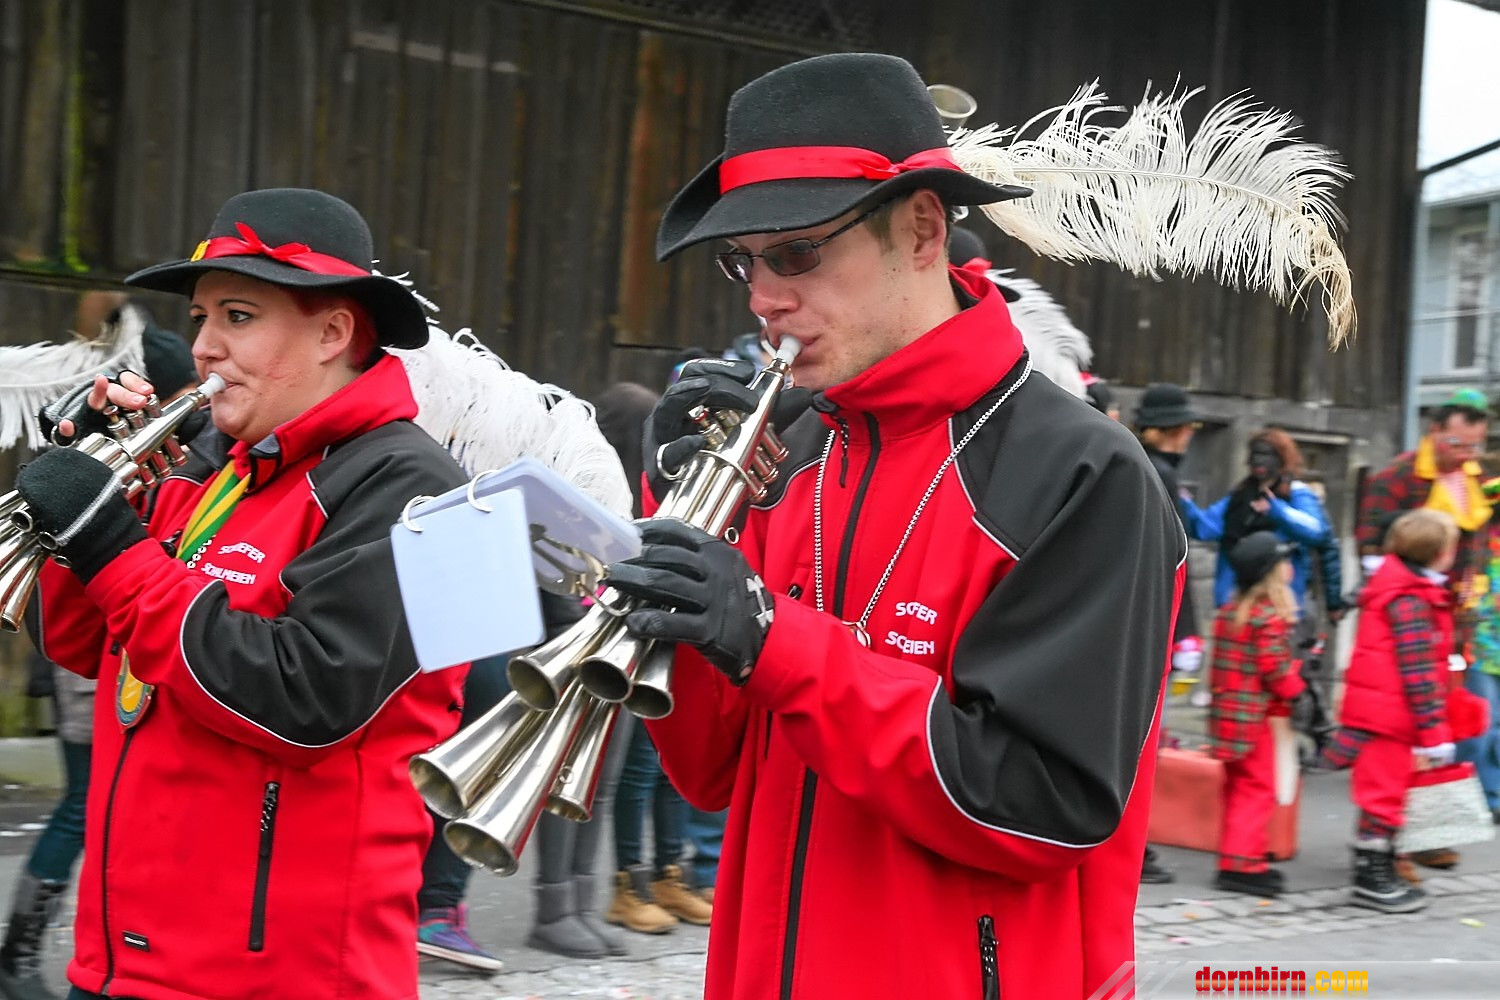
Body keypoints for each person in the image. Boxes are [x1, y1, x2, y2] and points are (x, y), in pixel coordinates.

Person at [602, 53, 1185, 998]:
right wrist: (674, 521)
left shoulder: (1086, 471)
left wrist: (773, 639)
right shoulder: (788, 452)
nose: (762, 297)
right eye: (744, 261)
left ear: (920, 229)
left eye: (796, 254)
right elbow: (712, 772)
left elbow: (1043, 808)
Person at [15, 187, 469, 1000]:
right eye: (200, 318)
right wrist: (80, 509)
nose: (204, 347)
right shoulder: (212, 464)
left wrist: (113, 546)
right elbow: (89, 647)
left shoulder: (425, 488)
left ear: (333, 333)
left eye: (238, 316)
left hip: (280, 972)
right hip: (125, 957)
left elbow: (309, 699)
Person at [0, 298, 197, 1000]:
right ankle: (18, 955)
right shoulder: (133, 440)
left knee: (88, 803)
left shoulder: (180, 455)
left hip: (120, 643)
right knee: (85, 804)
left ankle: (23, 952)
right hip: (104, 667)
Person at [591, 382, 712, 935]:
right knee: (638, 771)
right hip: (629, 639)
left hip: (667, 635)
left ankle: (668, 872)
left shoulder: (664, 480)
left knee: (664, 769)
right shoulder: (604, 486)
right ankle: (629, 883)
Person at [1355, 391, 1490, 874]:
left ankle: (1430, 832)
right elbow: (1371, 547)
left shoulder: (1476, 480)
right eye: (1458, 444)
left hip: (1457, 621)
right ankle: (1391, 845)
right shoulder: (1397, 477)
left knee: (1451, 725)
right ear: (1435, 432)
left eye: (1475, 446)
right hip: (1412, 620)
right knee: (1410, 734)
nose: (1467, 454)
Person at [1324, 509, 1465, 913]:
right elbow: (1419, 672)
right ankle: (1371, 878)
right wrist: (1435, 733)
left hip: (1383, 713)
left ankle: (1380, 868)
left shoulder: (1399, 587)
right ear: (1436, 553)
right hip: (1389, 718)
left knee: (1385, 796)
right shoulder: (1410, 598)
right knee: (1382, 799)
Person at [1205, 532, 1309, 897]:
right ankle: (1242, 864)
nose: (1289, 567)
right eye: (1284, 561)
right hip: (1251, 719)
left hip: (1226, 717)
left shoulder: (1230, 613)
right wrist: (1299, 692)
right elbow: (1275, 669)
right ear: (1271, 572)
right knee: (1257, 788)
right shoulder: (1267, 617)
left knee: (1237, 786)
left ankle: (1237, 852)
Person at [1181, 428, 1336, 616]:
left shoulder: (1297, 494)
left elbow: (1316, 531)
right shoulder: (1240, 495)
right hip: (1234, 602)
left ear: (1282, 459)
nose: (1259, 461)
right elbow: (1205, 527)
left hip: (1278, 606)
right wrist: (1183, 502)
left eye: (1267, 455)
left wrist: (1277, 511)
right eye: (1255, 454)